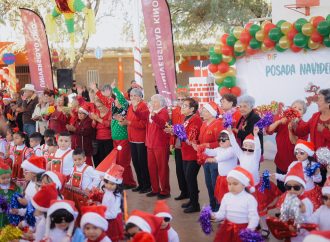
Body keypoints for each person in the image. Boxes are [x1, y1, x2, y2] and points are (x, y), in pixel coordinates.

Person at [95, 81, 136, 188]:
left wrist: (115, 89)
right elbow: (105, 100)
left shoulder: (125, 106)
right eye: (115, 100)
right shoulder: (113, 107)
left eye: (118, 100)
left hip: (123, 139)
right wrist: (97, 91)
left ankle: (130, 183)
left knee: (124, 162)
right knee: (117, 162)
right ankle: (120, 181)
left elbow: (122, 99)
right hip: (115, 139)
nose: (116, 101)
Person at [267, 100, 308, 192]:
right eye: (294, 107)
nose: (296, 110)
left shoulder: (304, 126)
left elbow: (294, 142)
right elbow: (269, 130)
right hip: (280, 159)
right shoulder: (283, 120)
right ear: (290, 109)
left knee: (292, 185)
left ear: (302, 113)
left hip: (294, 161)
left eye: (300, 109)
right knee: (281, 185)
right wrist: (279, 122)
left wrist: (290, 129)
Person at [211, 166, 259, 242]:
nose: (231, 187)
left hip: (243, 230)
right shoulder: (226, 196)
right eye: (229, 184)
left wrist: (249, 230)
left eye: (235, 184)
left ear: (243, 184)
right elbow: (222, 213)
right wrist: (214, 215)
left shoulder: (249, 199)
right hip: (227, 228)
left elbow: (254, 217)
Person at [274, 140, 322, 211]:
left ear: (308, 153)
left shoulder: (312, 165)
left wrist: (316, 173)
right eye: (296, 152)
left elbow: (318, 180)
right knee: (294, 210)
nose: (298, 155)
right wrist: (276, 175)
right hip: (295, 191)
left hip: (308, 192)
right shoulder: (293, 164)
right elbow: (288, 178)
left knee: (307, 211)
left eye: (301, 153)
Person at [276, 162, 314, 242]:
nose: (292, 190)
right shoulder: (288, 197)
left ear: (303, 188)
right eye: (288, 187)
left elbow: (308, 222)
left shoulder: (306, 202)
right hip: (289, 231)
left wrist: (296, 228)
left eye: (296, 187)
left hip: (300, 234)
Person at [196, 101, 223, 212]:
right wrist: (196, 143)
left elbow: (222, 142)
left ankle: (218, 208)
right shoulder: (203, 124)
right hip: (205, 158)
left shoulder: (218, 124)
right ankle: (212, 205)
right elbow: (200, 139)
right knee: (208, 184)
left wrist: (208, 145)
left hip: (214, 159)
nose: (203, 112)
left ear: (212, 113)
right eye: (203, 110)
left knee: (215, 183)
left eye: (206, 111)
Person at [124, 88, 151, 193]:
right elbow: (129, 120)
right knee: (135, 162)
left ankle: (147, 185)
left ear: (140, 97)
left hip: (140, 139)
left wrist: (129, 123)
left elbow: (143, 124)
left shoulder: (143, 106)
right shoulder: (131, 106)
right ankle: (140, 184)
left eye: (135, 96)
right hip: (132, 138)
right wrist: (124, 121)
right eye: (131, 96)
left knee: (142, 163)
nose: (133, 98)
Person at [145, 94, 170, 199]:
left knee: (162, 168)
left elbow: (162, 124)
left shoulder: (163, 112)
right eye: (152, 101)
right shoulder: (151, 112)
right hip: (150, 144)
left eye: (155, 101)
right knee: (152, 167)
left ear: (161, 103)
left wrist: (153, 115)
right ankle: (155, 189)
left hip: (160, 144)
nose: (152, 103)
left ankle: (165, 191)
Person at [180, 98, 202, 213]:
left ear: (192, 109)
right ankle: (191, 200)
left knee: (190, 178)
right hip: (186, 152)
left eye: (185, 106)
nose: (182, 107)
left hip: (193, 153)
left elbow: (191, 137)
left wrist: (179, 132)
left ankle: (195, 204)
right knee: (187, 178)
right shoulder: (186, 117)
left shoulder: (196, 119)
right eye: (182, 105)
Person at [166, 91, 188, 201]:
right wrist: (171, 143)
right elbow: (172, 129)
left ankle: (190, 191)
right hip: (177, 143)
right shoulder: (174, 111)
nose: (180, 102)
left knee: (187, 170)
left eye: (182, 99)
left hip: (187, 144)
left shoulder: (190, 112)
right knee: (179, 169)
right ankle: (183, 191)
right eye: (178, 99)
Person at [204, 130, 237, 204]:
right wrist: (201, 148)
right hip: (221, 178)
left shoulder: (232, 150)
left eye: (224, 139)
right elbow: (210, 151)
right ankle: (222, 211)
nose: (221, 141)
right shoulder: (219, 149)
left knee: (230, 197)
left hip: (230, 179)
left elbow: (223, 157)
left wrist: (213, 159)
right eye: (219, 139)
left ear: (231, 140)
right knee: (222, 197)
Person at [102, 163, 125, 242]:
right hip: (107, 217)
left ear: (118, 185)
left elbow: (113, 214)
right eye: (106, 182)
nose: (108, 186)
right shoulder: (108, 190)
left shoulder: (116, 197)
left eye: (112, 184)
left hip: (113, 220)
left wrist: (101, 214)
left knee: (112, 238)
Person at [90, 98, 113, 167]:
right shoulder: (97, 111)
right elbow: (93, 126)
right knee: (98, 159)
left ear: (104, 104)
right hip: (98, 138)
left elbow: (109, 124)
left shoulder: (110, 112)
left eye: (100, 106)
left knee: (107, 159)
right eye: (97, 106)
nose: (98, 108)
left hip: (108, 139)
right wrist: (94, 120)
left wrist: (98, 119)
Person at [0, 161, 21, 228]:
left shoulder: (14, 186)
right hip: (1, 213)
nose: (6, 180)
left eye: (8, 178)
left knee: (10, 227)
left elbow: (19, 194)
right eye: (3, 178)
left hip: (12, 212)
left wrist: (20, 188)